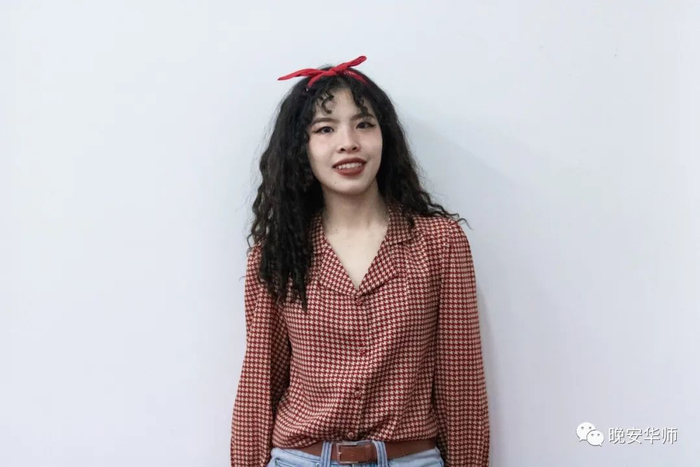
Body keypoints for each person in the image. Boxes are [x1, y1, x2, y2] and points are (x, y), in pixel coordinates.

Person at [231, 55, 489, 467]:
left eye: (364, 124)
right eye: (325, 128)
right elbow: (259, 384)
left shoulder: (439, 243)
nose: (348, 142)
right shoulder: (276, 253)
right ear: (301, 148)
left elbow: (461, 383)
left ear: (386, 137)